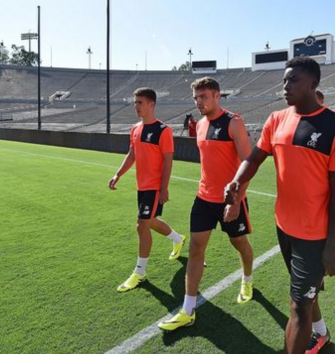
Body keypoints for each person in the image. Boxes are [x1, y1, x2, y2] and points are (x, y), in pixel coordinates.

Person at [224, 57, 335, 354]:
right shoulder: (276, 119)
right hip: (284, 226)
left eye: (292, 80)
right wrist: (237, 182)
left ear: (313, 84)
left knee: (297, 308)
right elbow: (254, 157)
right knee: (305, 296)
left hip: (314, 236)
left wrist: (331, 243)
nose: (285, 87)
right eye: (284, 81)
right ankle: (322, 333)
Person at [158, 77, 255, 331]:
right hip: (203, 197)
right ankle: (188, 309)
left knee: (239, 243)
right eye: (195, 98)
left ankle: (247, 278)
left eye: (203, 97)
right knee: (196, 248)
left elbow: (249, 164)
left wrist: (236, 201)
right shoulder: (200, 125)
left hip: (230, 199)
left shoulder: (233, 122)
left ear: (217, 96)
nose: (198, 102)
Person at [109, 88, 186, 292]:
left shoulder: (163, 130)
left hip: (154, 186)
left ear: (151, 104)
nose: (136, 106)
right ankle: (178, 239)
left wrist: (164, 188)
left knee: (141, 224)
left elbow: (168, 161)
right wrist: (118, 174)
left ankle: (140, 272)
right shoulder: (134, 128)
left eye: (140, 102)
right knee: (149, 221)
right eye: (135, 102)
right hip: (141, 186)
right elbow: (131, 155)